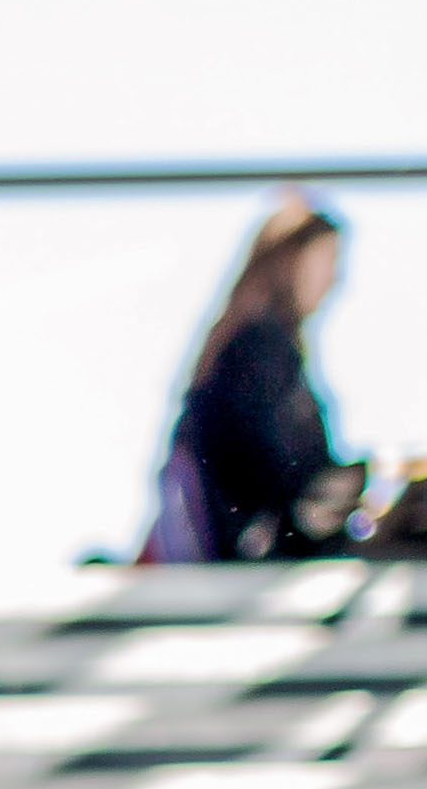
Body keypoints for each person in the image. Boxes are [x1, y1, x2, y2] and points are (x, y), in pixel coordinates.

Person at [147, 201, 365, 562]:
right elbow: (280, 473)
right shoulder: (260, 352)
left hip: (243, 554)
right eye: (329, 259)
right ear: (292, 261)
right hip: (256, 561)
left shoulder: (242, 348)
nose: (336, 278)